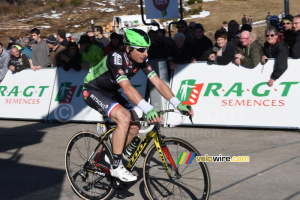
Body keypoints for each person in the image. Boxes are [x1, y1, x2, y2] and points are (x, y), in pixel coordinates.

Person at [82, 28, 193, 182]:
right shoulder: (116, 57)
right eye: (141, 50)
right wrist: (147, 108)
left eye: (146, 49)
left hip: (111, 92)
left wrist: (177, 103)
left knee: (135, 125)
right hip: (93, 90)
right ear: (128, 48)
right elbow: (127, 88)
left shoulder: (141, 61)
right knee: (124, 117)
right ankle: (116, 166)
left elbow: (158, 82)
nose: (145, 54)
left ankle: (113, 155)